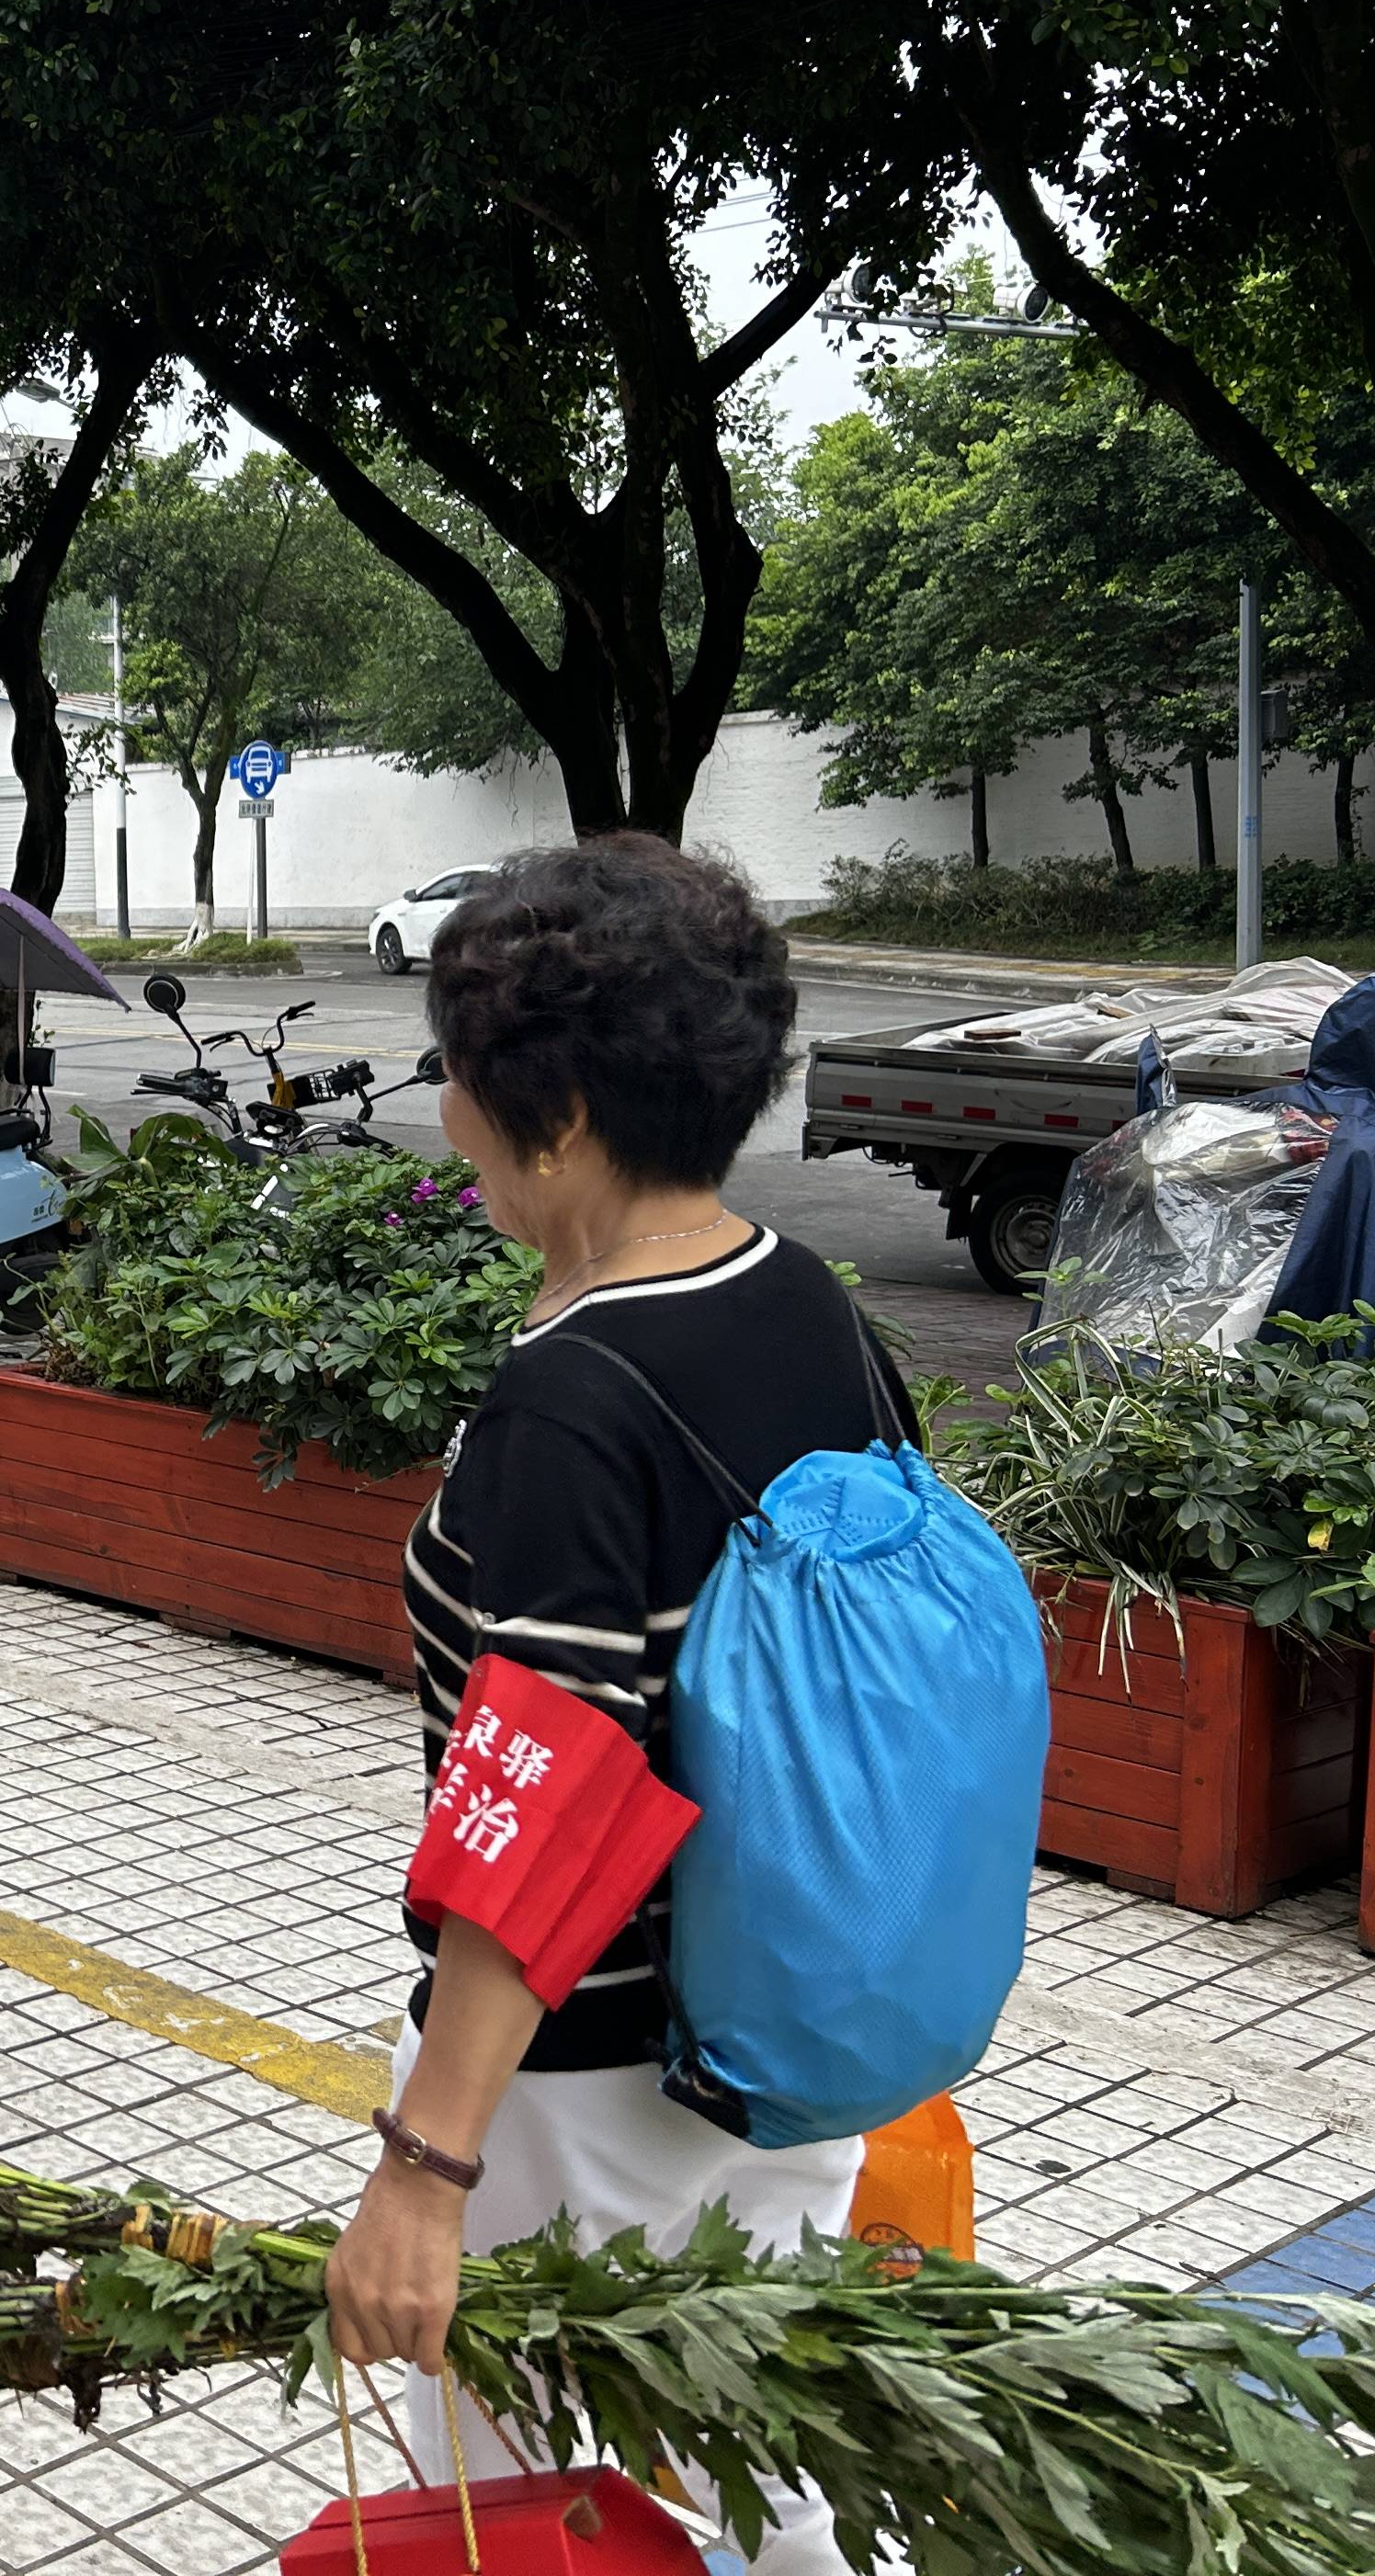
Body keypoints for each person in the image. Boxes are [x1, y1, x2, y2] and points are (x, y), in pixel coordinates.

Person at [322, 836, 916, 2576]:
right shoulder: (803, 1302)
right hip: (787, 2028)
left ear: (562, 1114)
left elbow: (550, 1793)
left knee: (533, 2511)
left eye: (457, 1072)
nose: (444, 1112)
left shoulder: (576, 1402)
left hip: (586, 2087)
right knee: (765, 2479)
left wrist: (425, 2168)